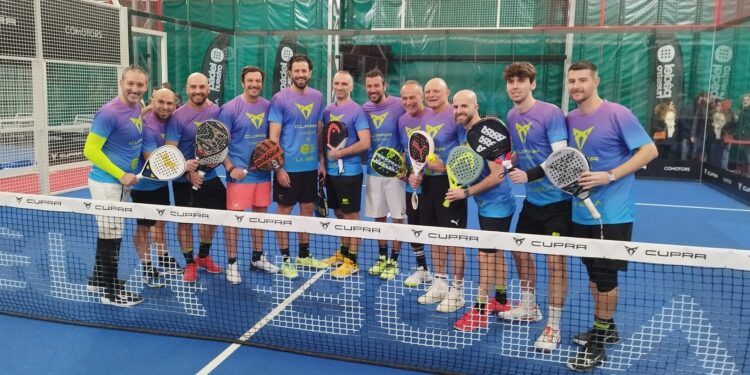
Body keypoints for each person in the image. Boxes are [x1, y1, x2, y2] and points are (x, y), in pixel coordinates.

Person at [564, 61, 657, 371]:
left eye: (582, 80)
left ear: (596, 81)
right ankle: (607, 327)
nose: (576, 86)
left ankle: (599, 342)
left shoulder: (618, 113)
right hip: (581, 213)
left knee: (606, 279)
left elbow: (648, 151)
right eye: (572, 81)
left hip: (612, 215)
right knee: (594, 275)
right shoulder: (570, 119)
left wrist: (610, 175)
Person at [501, 62, 570, 351]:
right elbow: (521, 152)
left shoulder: (550, 112)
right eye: (510, 81)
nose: (514, 86)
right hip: (533, 200)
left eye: (520, 80)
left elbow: (561, 156)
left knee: (555, 263)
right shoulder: (511, 115)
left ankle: (553, 325)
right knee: (519, 250)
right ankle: (529, 306)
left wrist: (529, 174)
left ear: (533, 83)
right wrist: (509, 162)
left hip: (558, 203)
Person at [446, 90, 515, 331]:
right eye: (455, 107)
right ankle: (502, 299)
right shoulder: (464, 132)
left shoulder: (486, 133)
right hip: (488, 204)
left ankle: (480, 310)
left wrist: (466, 192)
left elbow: (497, 176)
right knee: (496, 252)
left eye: (464, 106)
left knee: (485, 255)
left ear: (476, 107)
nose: (459, 111)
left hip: (498, 204)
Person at [83, 64, 148, 307]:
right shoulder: (108, 113)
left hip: (119, 185)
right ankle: (111, 293)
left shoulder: (138, 107)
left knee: (107, 233)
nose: (134, 88)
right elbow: (90, 150)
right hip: (107, 184)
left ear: (145, 87)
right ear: (121, 83)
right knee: (113, 236)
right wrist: (121, 174)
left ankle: (98, 279)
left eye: (140, 84)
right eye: (130, 83)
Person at [268, 55, 329, 279]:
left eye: (304, 71)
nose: (301, 75)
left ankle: (304, 254)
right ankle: (285, 258)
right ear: (290, 73)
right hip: (287, 167)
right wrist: (279, 169)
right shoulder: (279, 99)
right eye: (297, 71)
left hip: (310, 167)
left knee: (307, 210)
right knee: (284, 213)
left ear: (310, 73)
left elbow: (318, 130)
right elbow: (273, 138)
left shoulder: (317, 97)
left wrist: (321, 161)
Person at [409, 78, 467, 313]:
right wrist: (418, 173)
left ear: (447, 92)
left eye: (436, 91)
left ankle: (458, 290)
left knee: (453, 239)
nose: (431, 94)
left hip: (450, 185)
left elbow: (466, 154)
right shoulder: (424, 118)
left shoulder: (456, 117)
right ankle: (440, 282)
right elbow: (421, 151)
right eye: (428, 91)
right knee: (433, 235)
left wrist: (446, 168)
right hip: (428, 187)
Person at [218, 66, 280, 284]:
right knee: (234, 220)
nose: (254, 84)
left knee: (260, 216)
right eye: (250, 81)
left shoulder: (268, 106)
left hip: (262, 175)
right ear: (243, 82)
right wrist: (229, 168)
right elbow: (219, 143)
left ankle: (256, 257)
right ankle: (232, 263)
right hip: (238, 176)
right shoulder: (229, 108)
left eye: (258, 81)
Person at [165, 73, 224, 283]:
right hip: (183, 180)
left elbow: (220, 142)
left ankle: (203, 256)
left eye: (201, 87)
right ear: (187, 89)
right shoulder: (177, 117)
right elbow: (171, 152)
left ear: (208, 88)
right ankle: (189, 263)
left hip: (211, 176)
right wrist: (187, 172)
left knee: (213, 218)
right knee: (186, 222)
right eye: (193, 87)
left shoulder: (215, 111)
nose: (197, 91)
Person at [318, 70, 371, 278]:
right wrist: (323, 162)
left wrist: (340, 153)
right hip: (331, 172)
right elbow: (324, 141)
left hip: (350, 172)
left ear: (351, 87)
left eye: (344, 84)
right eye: (336, 83)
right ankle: (343, 252)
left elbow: (365, 142)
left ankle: (352, 260)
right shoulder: (328, 111)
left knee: (351, 216)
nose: (339, 87)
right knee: (339, 213)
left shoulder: (357, 111)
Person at [130, 87, 183, 289]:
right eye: (161, 102)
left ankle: (163, 258)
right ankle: (147, 266)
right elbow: (152, 161)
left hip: (161, 184)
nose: (165, 107)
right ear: (153, 101)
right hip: (144, 185)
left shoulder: (172, 119)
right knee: (143, 227)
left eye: (170, 103)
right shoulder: (147, 126)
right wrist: (182, 165)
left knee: (160, 223)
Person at [360, 68, 407, 281]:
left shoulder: (399, 105)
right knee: (378, 215)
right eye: (369, 86)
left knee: (398, 215)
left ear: (384, 86)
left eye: (376, 85)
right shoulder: (364, 109)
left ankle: (394, 260)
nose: (372, 90)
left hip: (397, 172)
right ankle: (381, 257)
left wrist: (405, 163)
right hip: (373, 171)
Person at [397, 80, 433, 288]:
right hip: (412, 185)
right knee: (414, 226)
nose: (409, 102)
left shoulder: (432, 116)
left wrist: (423, 173)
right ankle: (422, 269)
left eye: (413, 97)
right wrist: (405, 172)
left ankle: (440, 277)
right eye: (405, 98)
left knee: (435, 229)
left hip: (434, 183)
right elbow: (406, 150)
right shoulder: (402, 120)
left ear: (422, 97)